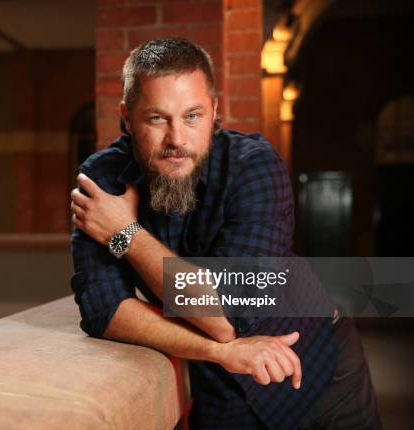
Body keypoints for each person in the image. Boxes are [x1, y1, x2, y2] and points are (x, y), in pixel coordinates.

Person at [69, 38, 380, 429]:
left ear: (215, 111)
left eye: (192, 116)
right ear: (127, 118)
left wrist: (125, 234)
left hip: (319, 372)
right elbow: (104, 310)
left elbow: (224, 317)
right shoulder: (102, 181)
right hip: (220, 381)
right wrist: (218, 353)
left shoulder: (254, 168)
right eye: (156, 119)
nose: (177, 139)